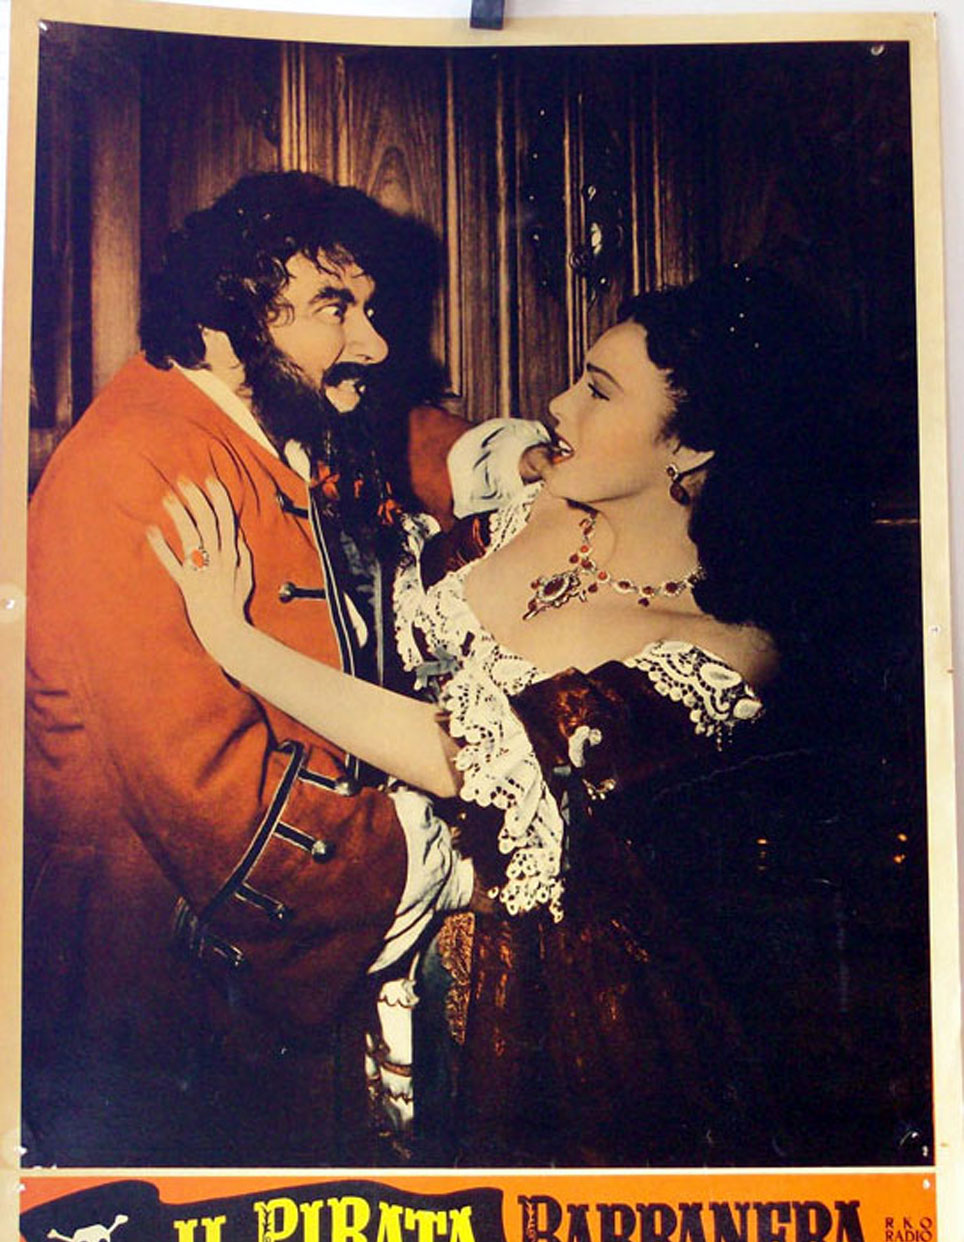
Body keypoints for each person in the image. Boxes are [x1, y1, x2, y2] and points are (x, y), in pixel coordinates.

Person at [152, 264, 899, 1168]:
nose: (559, 403)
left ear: (691, 449)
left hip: (526, 1002)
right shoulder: (540, 507)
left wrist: (234, 641)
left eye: (599, 390)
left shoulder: (724, 652)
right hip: (354, 907)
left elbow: (457, 754)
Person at [22, 170, 514, 1167]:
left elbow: (387, 429)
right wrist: (443, 857)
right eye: (335, 308)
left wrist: (512, 460)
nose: (374, 343)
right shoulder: (136, 470)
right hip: (170, 1012)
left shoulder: (238, 403)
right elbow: (212, 797)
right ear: (221, 324)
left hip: (248, 1003)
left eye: (367, 307)